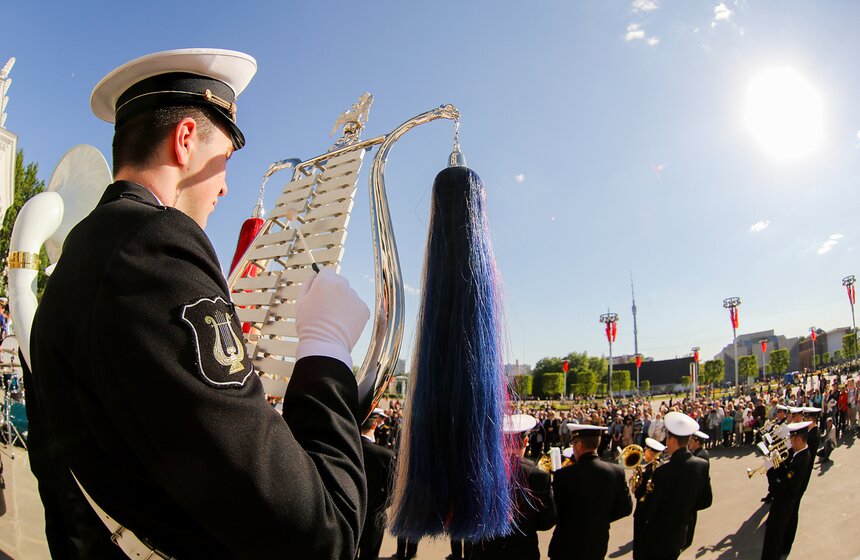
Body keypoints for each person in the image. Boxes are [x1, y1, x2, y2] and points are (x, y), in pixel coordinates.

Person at [28, 49, 371, 559]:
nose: (226, 186)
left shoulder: (77, 254)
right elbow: (321, 535)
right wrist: (327, 348)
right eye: (224, 160)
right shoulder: (157, 244)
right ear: (186, 140)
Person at [466, 414, 556, 560]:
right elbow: (547, 521)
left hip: (484, 552)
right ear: (526, 441)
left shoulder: (478, 473)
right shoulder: (539, 477)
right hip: (523, 551)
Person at [634, 411, 712, 560]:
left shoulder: (662, 471)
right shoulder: (702, 465)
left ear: (672, 440)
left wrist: (639, 492)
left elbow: (651, 508)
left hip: (659, 535)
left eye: (667, 438)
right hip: (682, 531)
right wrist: (685, 508)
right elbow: (706, 500)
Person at [548, 423, 632, 560]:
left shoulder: (563, 475)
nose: (573, 449)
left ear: (579, 445)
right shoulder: (616, 472)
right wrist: (601, 518)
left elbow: (554, 512)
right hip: (596, 543)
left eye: (574, 444)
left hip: (566, 546)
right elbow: (626, 508)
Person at [760, 421, 813, 560]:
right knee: (775, 538)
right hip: (785, 503)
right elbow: (786, 473)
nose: (790, 442)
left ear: (799, 439)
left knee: (773, 540)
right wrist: (778, 463)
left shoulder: (800, 460)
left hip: (783, 504)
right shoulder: (801, 454)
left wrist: (770, 470)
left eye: (792, 439)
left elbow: (778, 487)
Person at [357, 408, 395, 560]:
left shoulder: (346, 449)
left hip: (347, 513)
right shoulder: (385, 456)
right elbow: (392, 490)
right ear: (374, 426)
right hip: (374, 516)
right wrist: (379, 507)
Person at [684, 430, 710, 550]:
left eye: (692, 441)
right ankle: (687, 538)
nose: (689, 443)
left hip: (696, 492)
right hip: (696, 491)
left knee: (691, 517)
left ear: (697, 442)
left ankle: (687, 540)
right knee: (690, 516)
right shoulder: (698, 453)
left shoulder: (701, 455)